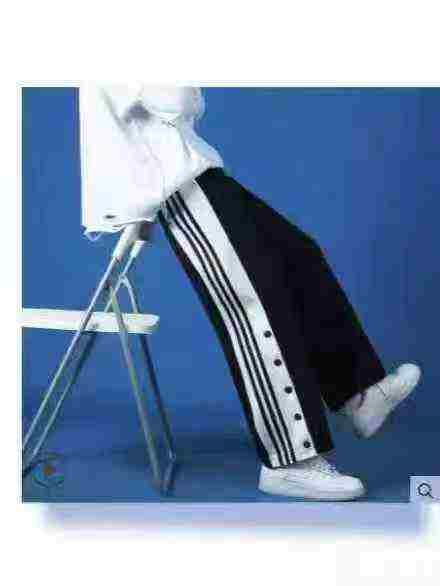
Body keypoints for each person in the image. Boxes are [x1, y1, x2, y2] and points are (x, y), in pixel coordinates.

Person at [80, 85, 421, 500]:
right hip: (173, 187)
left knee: (299, 256)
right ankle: (289, 462)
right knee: (255, 306)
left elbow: (185, 105)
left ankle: (359, 396)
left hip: (200, 174)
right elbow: (176, 100)